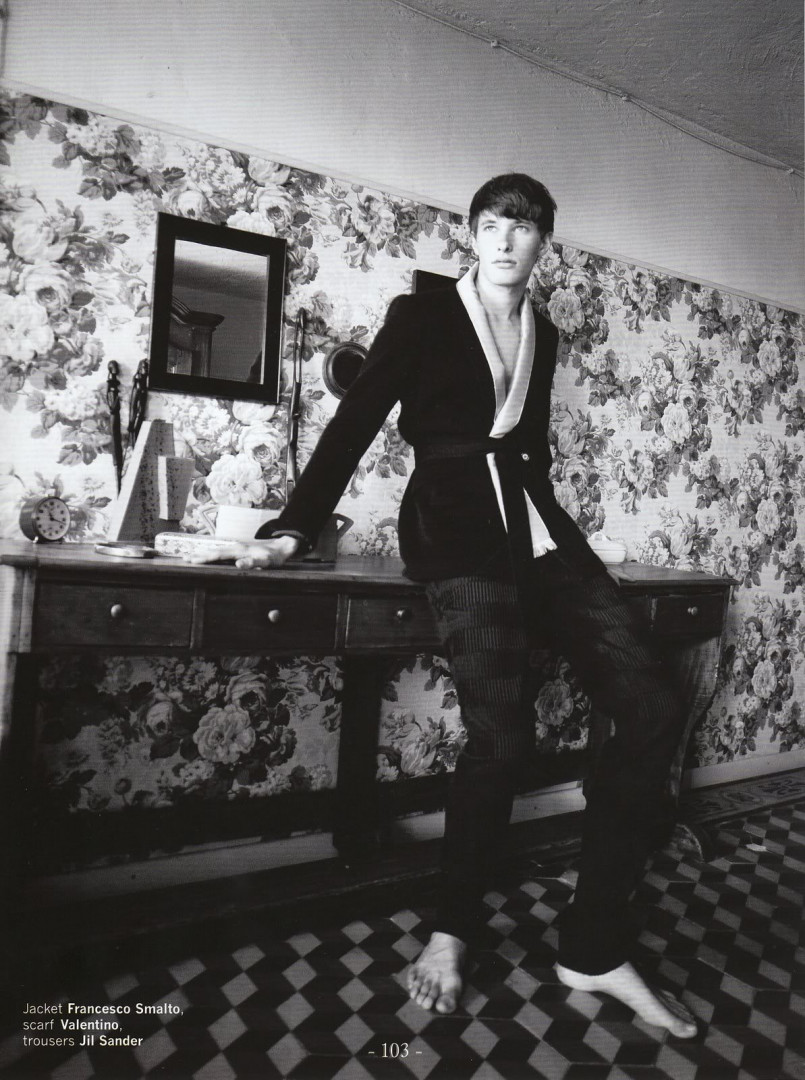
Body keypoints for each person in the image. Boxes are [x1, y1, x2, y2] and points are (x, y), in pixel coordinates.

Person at [214, 174, 698, 1038]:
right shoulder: (424, 314)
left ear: (543, 241)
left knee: (652, 704)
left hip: (536, 529)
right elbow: (356, 421)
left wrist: (572, 539)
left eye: (523, 227)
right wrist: (292, 527)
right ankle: (451, 929)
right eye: (491, 224)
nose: (505, 240)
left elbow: (529, 447)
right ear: (471, 234)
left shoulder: (544, 333)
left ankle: (591, 944)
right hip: (455, 528)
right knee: (501, 736)